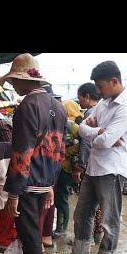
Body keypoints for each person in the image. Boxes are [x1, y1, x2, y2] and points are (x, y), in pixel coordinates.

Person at [58, 61, 127, 254]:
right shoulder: (103, 103)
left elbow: (104, 142)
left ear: (114, 81)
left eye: (100, 86)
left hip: (112, 169)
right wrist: (99, 131)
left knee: (109, 220)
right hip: (94, 167)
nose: (98, 91)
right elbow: (82, 128)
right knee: (82, 213)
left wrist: (97, 133)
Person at [0, 53, 67, 254]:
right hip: (46, 179)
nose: (14, 85)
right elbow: (60, 150)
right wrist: (51, 183)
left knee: (29, 234)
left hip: (28, 182)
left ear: (26, 80)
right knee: (33, 232)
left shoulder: (27, 106)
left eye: (15, 81)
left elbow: (22, 152)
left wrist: (14, 193)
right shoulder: (58, 106)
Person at [68, 82, 105, 244]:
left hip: (90, 165)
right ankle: (97, 236)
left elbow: (85, 143)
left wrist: (80, 166)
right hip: (101, 164)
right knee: (99, 204)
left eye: (80, 98)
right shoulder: (102, 111)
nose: (79, 102)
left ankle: (87, 238)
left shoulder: (90, 115)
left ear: (88, 97)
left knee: (87, 207)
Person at [53, 100, 82, 238]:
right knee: (61, 197)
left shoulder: (71, 126)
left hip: (66, 167)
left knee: (62, 198)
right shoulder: (76, 126)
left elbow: (82, 146)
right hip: (66, 166)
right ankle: (61, 227)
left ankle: (62, 228)